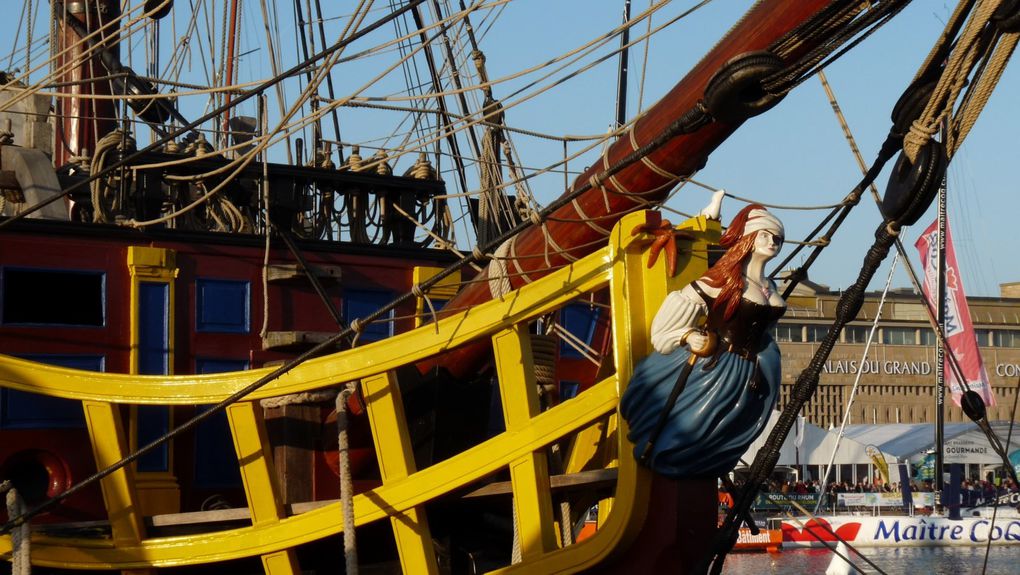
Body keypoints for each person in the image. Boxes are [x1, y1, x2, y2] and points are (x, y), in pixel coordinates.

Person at [620, 203, 787, 479]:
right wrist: (686, 335)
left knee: (729, 428)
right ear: (748, 238)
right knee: (695, 426)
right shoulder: (722, 279)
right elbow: (668, 322)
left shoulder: (771, 287)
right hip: (717, 369)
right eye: (765, 235)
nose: (772, 242)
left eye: (777, 238)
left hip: (752, 373)